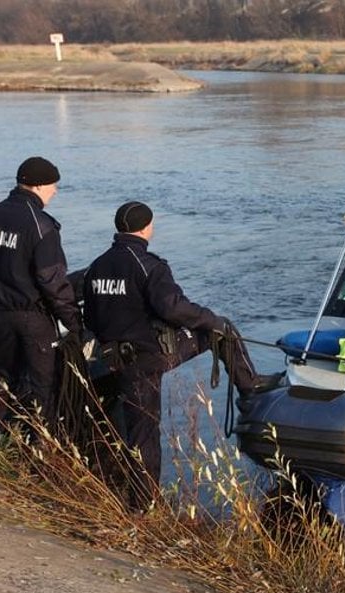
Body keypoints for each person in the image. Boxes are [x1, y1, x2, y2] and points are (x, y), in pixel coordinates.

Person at [82, 201, 280, 506]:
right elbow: (172, 307)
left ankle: (121, 492)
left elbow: (92, 319)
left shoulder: (97, 266)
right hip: (147, 358)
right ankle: (143, 506)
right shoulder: (149, 265)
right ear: (147, 227)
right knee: (221, 329)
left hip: (111, 360)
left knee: (130, 429)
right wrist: (208, 318)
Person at [0, 156, 82, 428]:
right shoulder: (41, 226)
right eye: (53, 186)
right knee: (41, 389)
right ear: (38, 186)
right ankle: (40, 454)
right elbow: (53, 283)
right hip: (31, 319)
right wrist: (73, 322)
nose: (55, 191)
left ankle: (4, 446)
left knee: (1, 383)